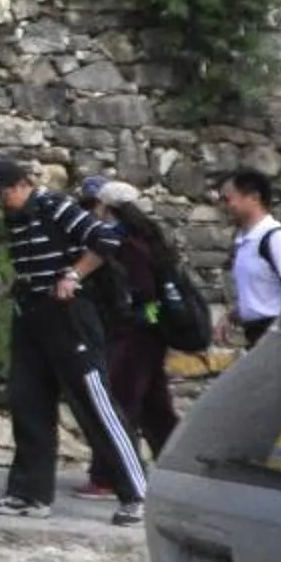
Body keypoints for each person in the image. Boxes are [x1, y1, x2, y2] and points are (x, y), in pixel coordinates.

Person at [0, 161, 147, 525]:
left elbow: (107, 240)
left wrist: (73, 274)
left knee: (93, 400)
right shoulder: (16, 218)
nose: (1, 202)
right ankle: (29, 493)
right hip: (31, 315)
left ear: (23, 184)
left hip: (68, 314)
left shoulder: (55, 205)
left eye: (4, 193)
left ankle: (137, 493)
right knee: (28, 401)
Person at [90, 191, 185, 490]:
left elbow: (144, 293)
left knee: (120, 403)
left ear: (107, 207)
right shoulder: (149, 241)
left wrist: (134, 319)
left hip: (134, 337)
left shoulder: (128, 246)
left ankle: (109, 476)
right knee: (156, 409)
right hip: (148, 336)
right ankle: (180, 468)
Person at [216, 167, 281, 350]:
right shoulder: (245, 242)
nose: (223, 207)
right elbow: (263, 296)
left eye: (227, 200)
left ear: (253, 197)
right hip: (259, 335)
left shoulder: (279, 239)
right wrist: (232, 316)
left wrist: (274, 336)